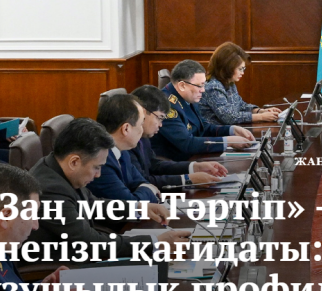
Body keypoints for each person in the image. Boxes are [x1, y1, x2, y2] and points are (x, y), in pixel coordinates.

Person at [27, 118, 189, 261]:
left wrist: (140, 208)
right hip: (58, 266)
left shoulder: (57, 166)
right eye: (96, 167)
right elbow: (90, 243)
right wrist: (155, 242)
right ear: (74, 162)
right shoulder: (50, 190)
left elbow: (92, 203)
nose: (98, 175)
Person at [151, 60, 254, 161]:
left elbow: (203, 127)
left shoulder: (188, 96)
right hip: (176, 164)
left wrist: (231, 130)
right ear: (182, 85)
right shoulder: (166, 106)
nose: (203, 90)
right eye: (199, 85)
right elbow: (187, 144)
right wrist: (227, 141)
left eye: (204, 85)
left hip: (193, 156)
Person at [130, 85, 226, 189]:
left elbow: (154, 165)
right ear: (143, 112)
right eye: (159, 118)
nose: (160, 125)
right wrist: (187, 179)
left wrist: (194, 167)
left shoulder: (143, 137)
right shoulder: (127, 142)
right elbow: (142, 183)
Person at [86, 94, 161, 203]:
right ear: (126, 129)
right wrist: (149, 190)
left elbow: (140, 181)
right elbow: (131, 205)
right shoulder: (101, 161)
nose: (142, 130)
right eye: (141, 124)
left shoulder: (122, 150)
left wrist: (145, 189)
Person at [200, 42, 281, 125]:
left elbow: (240, 106)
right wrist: (261, 117)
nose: (242, 73)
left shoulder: (229, 83)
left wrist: (261, 111)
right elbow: (228, 117)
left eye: (244, 69)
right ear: (228, 68)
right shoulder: (213, 87)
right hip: (215, 132)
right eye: (240, 69)